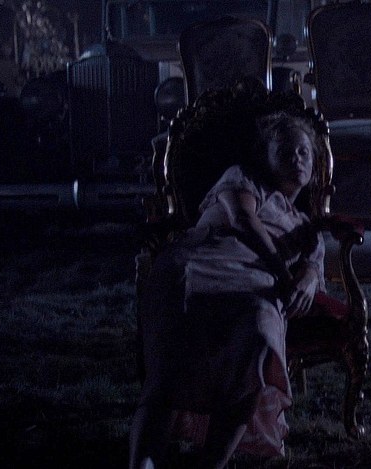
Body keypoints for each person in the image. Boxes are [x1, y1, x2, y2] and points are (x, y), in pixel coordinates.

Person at [129, 111, 329, 468]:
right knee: (172, 357)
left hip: (254, 284)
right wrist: (284, 275)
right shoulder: (244, 178)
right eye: (285, 152)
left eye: (303, 152)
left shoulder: (303, 224)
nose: (296, 159)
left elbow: (314, 265)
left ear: (315, 163)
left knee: (259, 337)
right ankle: (144, 461)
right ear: (266, 157)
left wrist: (309, 277)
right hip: (203, 262)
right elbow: (242, 219)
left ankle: (211, 463)